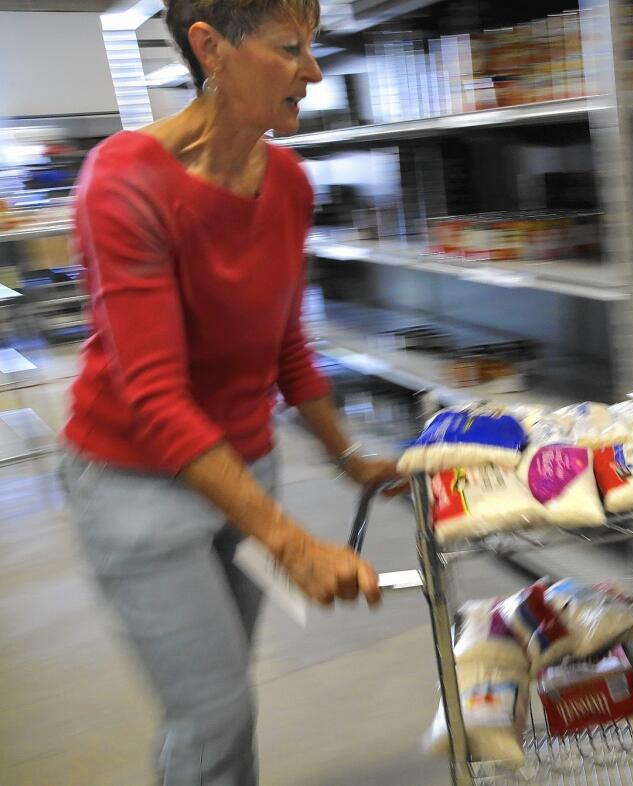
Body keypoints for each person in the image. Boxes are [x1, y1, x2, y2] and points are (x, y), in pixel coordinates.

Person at [58, 2, 404, 784]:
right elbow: (154, 397)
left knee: (225, 697)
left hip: (244, 471)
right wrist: (289, 540)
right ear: (209, 48)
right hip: (134, 486)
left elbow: (285, 342)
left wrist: (350, 460)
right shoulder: (123, 181)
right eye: (289, 49)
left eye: (313, 48)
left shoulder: (285, 180)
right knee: (211, 714)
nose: (313, 73)